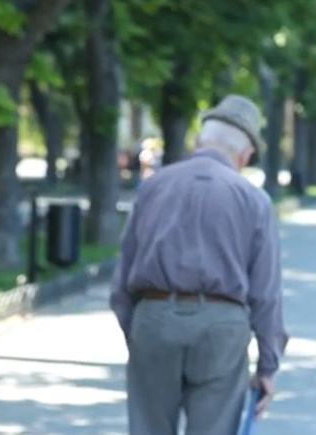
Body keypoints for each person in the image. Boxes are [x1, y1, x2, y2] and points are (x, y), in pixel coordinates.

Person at [109, 94, 288, 435]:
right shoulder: (254, 201)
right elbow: (266, 295)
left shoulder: (153, 188)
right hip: (222, 326)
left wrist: (139, 333)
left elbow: (121, 283)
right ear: (245, 154)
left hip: (154, 317)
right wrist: (268, 367)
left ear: (198, 141)